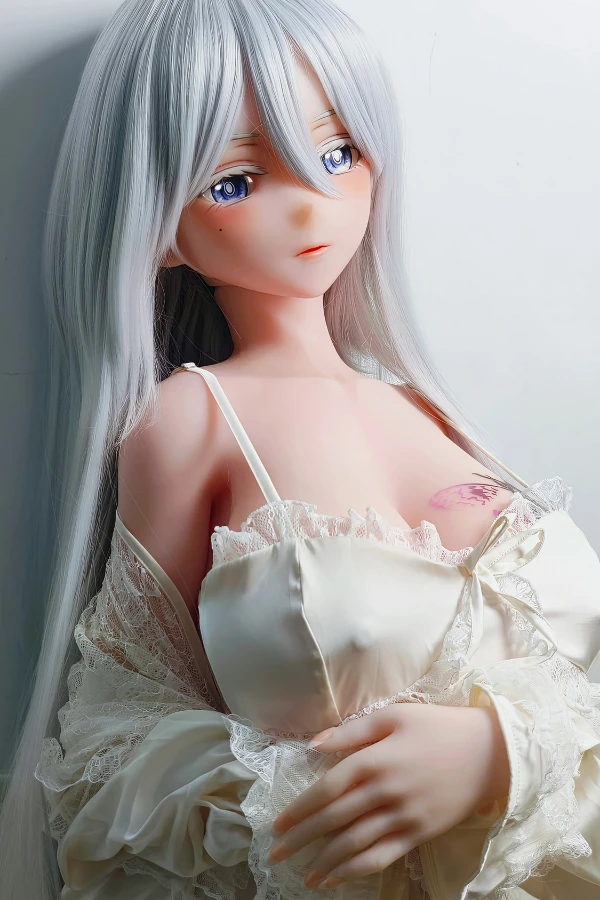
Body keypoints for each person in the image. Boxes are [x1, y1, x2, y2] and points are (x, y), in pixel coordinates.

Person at [2, 1, 600, 898]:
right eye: (236, 181)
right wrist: (319, 798)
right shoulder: (191, 419)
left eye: (338, 152)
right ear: (158, 226)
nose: (312, 200)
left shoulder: (434, 413)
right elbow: (119, 730)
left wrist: (506, 752)